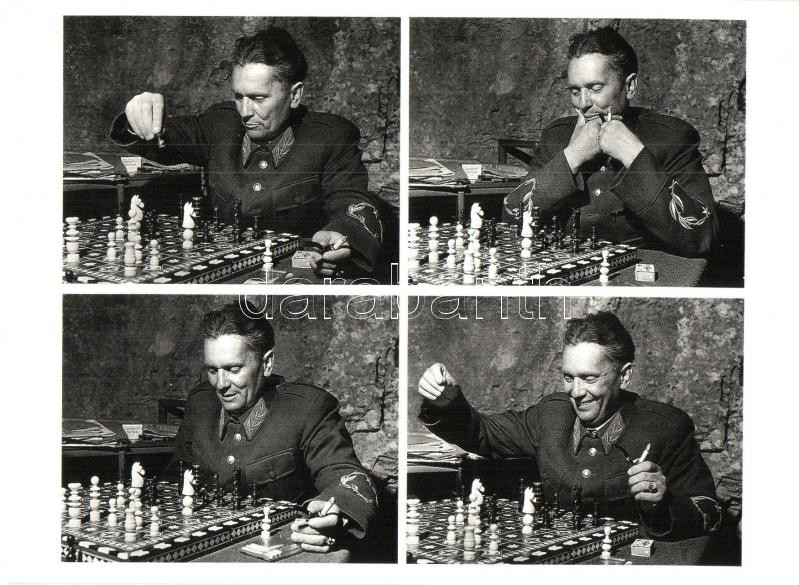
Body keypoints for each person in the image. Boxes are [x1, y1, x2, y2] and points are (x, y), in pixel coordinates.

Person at [417, 311, 721, 541]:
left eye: (589, 378)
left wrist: (663, 504)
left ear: (624, 376)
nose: (576, 392)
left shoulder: (666, 427)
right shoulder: (551, 415)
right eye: (568, 377)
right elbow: (482, 433)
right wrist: (447, 403)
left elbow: (711, 512)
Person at [110, 27, 383, 277]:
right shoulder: (219, 123)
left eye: (258, 98)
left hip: (293, 283)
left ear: (295, 95)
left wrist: (339, 235)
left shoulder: (330, 137)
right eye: (239, 96)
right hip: (220, 278)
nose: (244, 112)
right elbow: (160, 139)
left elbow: (353, 204)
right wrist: (139, 116)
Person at [171, 302, 378, 553]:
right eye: (212, 370)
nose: (221, 384)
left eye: (234, 369)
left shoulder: (308, 409)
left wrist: (337, 513)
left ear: (267, 363)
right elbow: (175, 476)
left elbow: (348, 476)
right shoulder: (200, 404)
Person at [503, 27, 717, 258]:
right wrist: (571, 157)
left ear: (629, 86)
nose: (583, 103)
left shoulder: (671, 138)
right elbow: (510, 217)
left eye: (595, 88)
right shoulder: (556, 137)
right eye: (575, 90)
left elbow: (702, 237)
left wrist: (635, 156)